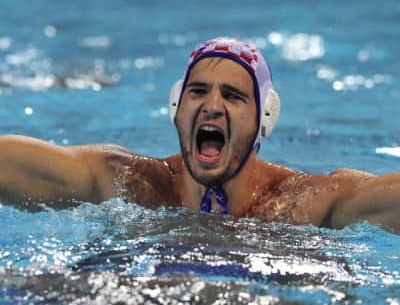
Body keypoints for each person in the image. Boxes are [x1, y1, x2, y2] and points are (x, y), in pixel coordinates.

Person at [0, 37, 399, 233]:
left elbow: (379, 197)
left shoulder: (305, 202)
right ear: (177, 108)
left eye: (233, 96)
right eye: (198, 91)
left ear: (263, 118)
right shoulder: (128, 182)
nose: (211, 105)